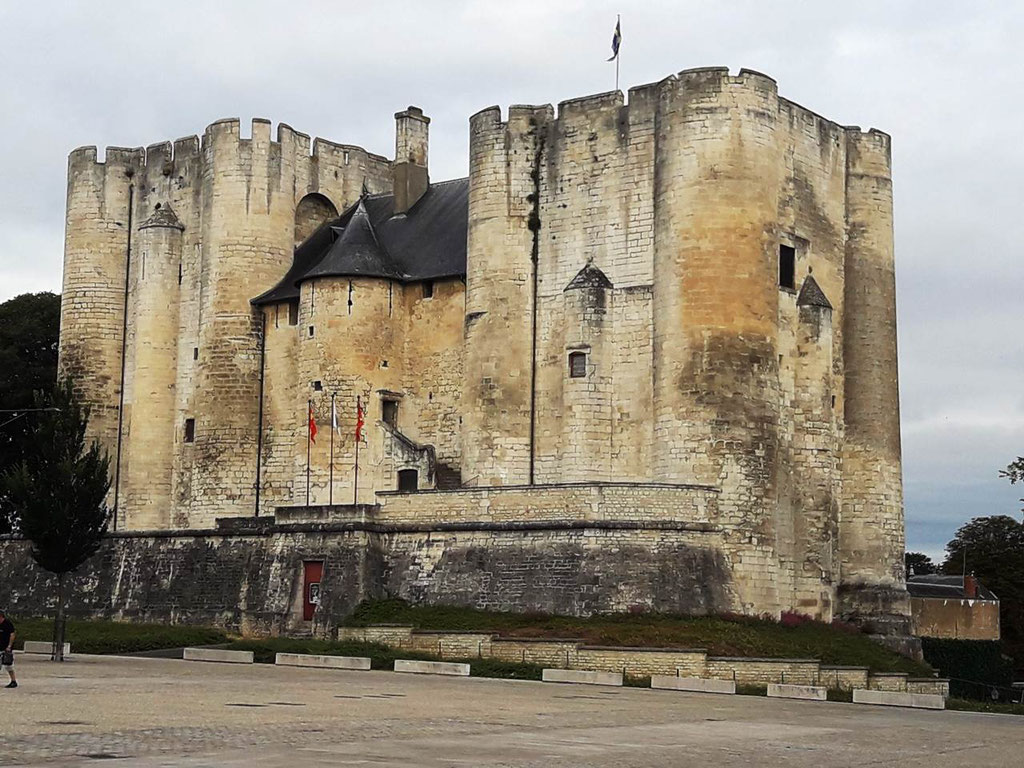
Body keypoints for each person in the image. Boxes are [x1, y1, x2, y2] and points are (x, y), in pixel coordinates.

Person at [0, 609, 17, 688]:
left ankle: (13, 681)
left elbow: (12, 635)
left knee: (8, 665)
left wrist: (9, 646)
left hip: (6, 648)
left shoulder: (7, 623)